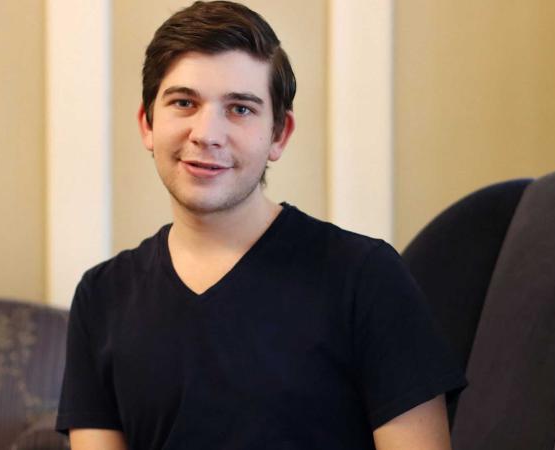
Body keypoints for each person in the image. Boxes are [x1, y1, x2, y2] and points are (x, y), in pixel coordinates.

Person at [56, 1, 466, 449]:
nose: (207, 133)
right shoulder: (101, 296)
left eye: (240, 109)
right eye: (184, 102)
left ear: (279, 135)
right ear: (147, 124)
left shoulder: (366, 277)